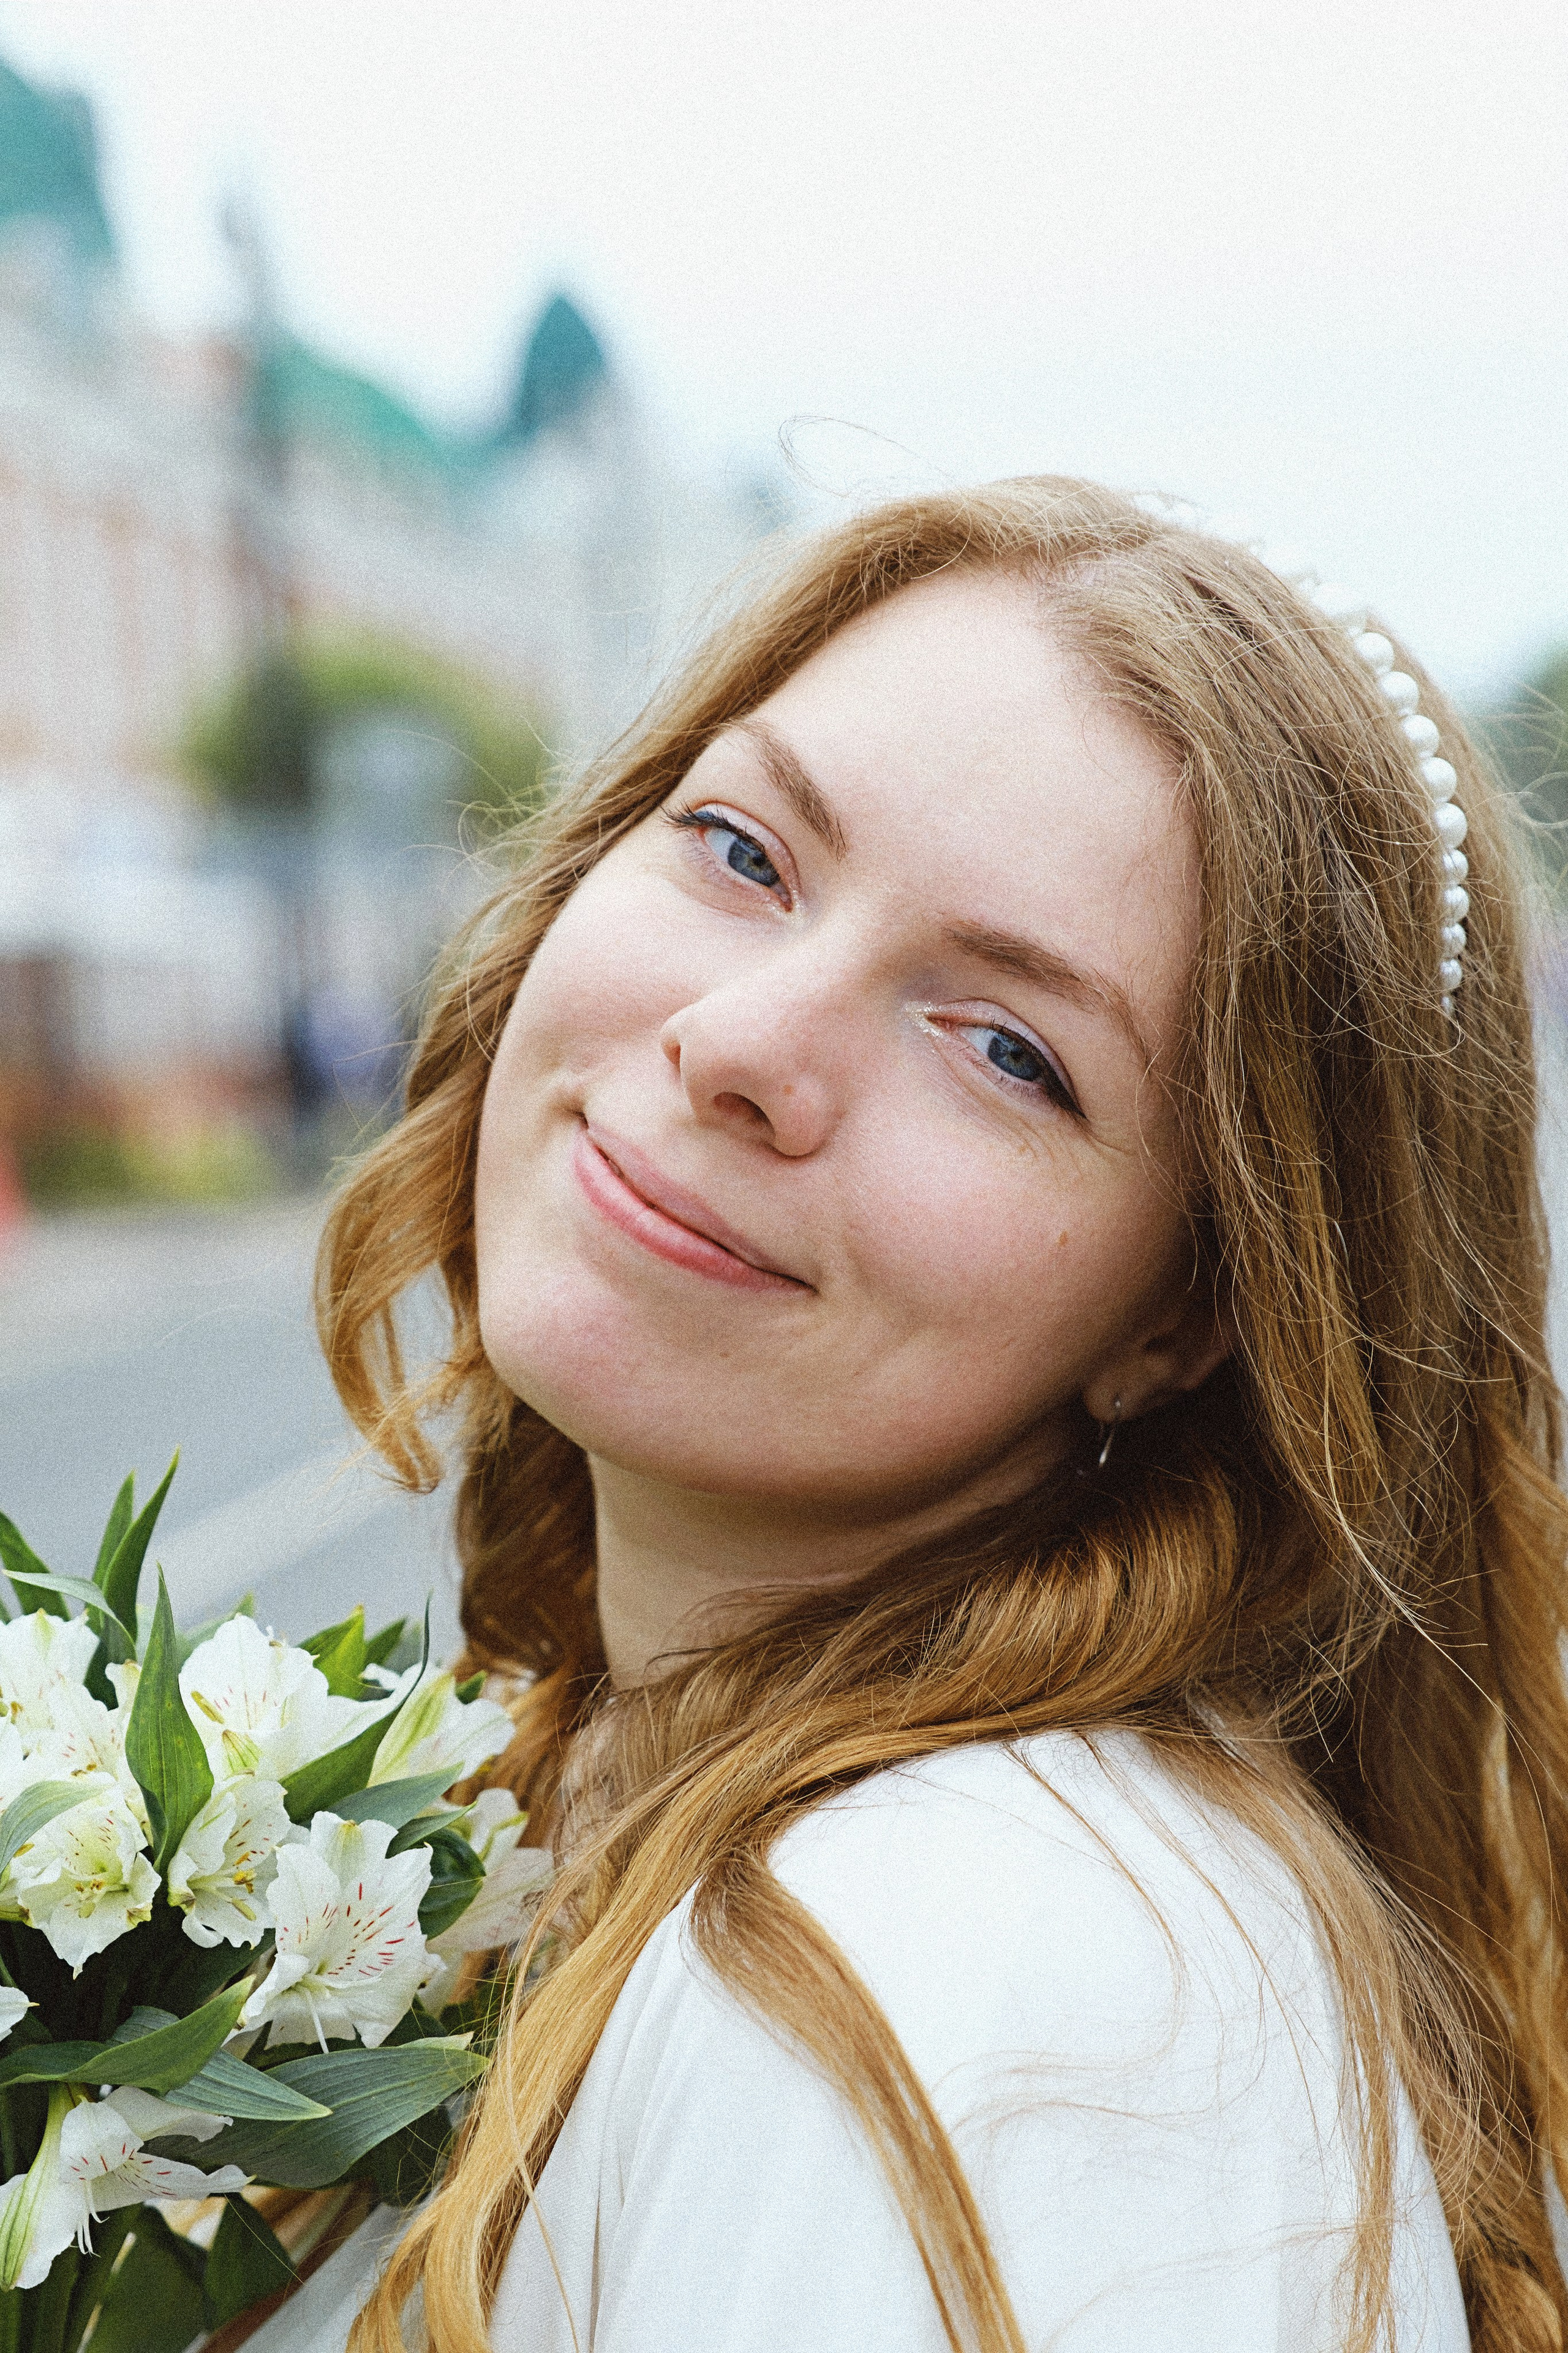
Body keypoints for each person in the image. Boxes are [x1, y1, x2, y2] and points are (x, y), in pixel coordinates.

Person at [315, 478, 1568, 2352]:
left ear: (1191, 1316)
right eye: (742, 850)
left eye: (1007, 1051)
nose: (742, 1047)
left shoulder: (1014, 1988)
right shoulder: (671, 1803)